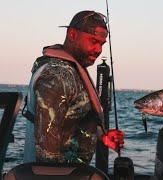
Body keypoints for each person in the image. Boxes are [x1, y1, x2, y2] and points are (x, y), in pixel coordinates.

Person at [23, 10, 124, 164]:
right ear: (72, 35)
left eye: (102, 44)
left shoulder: (72, 69)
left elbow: (70, 120)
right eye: (93, 41)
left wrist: (101, 136)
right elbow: (46, 155)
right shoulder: (57, 76)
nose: (99, 50)